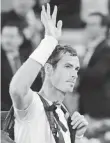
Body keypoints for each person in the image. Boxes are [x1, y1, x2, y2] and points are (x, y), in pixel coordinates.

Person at [9, 4, 88, 143]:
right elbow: (17, 89)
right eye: (68, 66)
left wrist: (78, 137)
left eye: (76, 69)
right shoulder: (32, 103)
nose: (74, 74)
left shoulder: (64, 113)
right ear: (48, 69)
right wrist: (49, 41)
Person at [1, 22, 42, 111]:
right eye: (4, 36)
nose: (7, 41)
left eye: (11, 36)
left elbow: (37, 85)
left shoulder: (29, 58)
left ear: (20, 39)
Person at [77, 12, 110, 118]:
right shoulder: (89, 48)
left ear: (104, 28)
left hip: (100, 108)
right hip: (86, 106)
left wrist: (74, 68)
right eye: (87, 24)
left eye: (93, 24)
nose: (88, 27)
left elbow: (98, 74)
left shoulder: (106, 49)